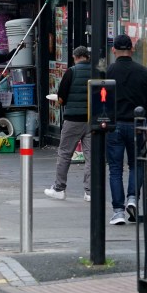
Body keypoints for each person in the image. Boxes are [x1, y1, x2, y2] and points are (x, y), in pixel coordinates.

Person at [106, 34, 147, 226]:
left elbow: (102, 99)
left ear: (114, 50)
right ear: (132, 49)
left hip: (115, 125)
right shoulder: (143, 72)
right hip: (138, 124)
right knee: (137, 164)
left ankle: (118, 211)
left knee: (115, 169)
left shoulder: (109, 71)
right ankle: (133, 199)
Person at [45, 46, 92, 202]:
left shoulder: (71, 72)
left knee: (65, 153)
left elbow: (61, 98)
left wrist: (59, 99)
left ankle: (59, 188)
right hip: (92, 119)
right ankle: (90, 191)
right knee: (91, 156)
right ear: (87, 57)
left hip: (73, 119)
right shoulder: (96, 71)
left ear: (75, 57)